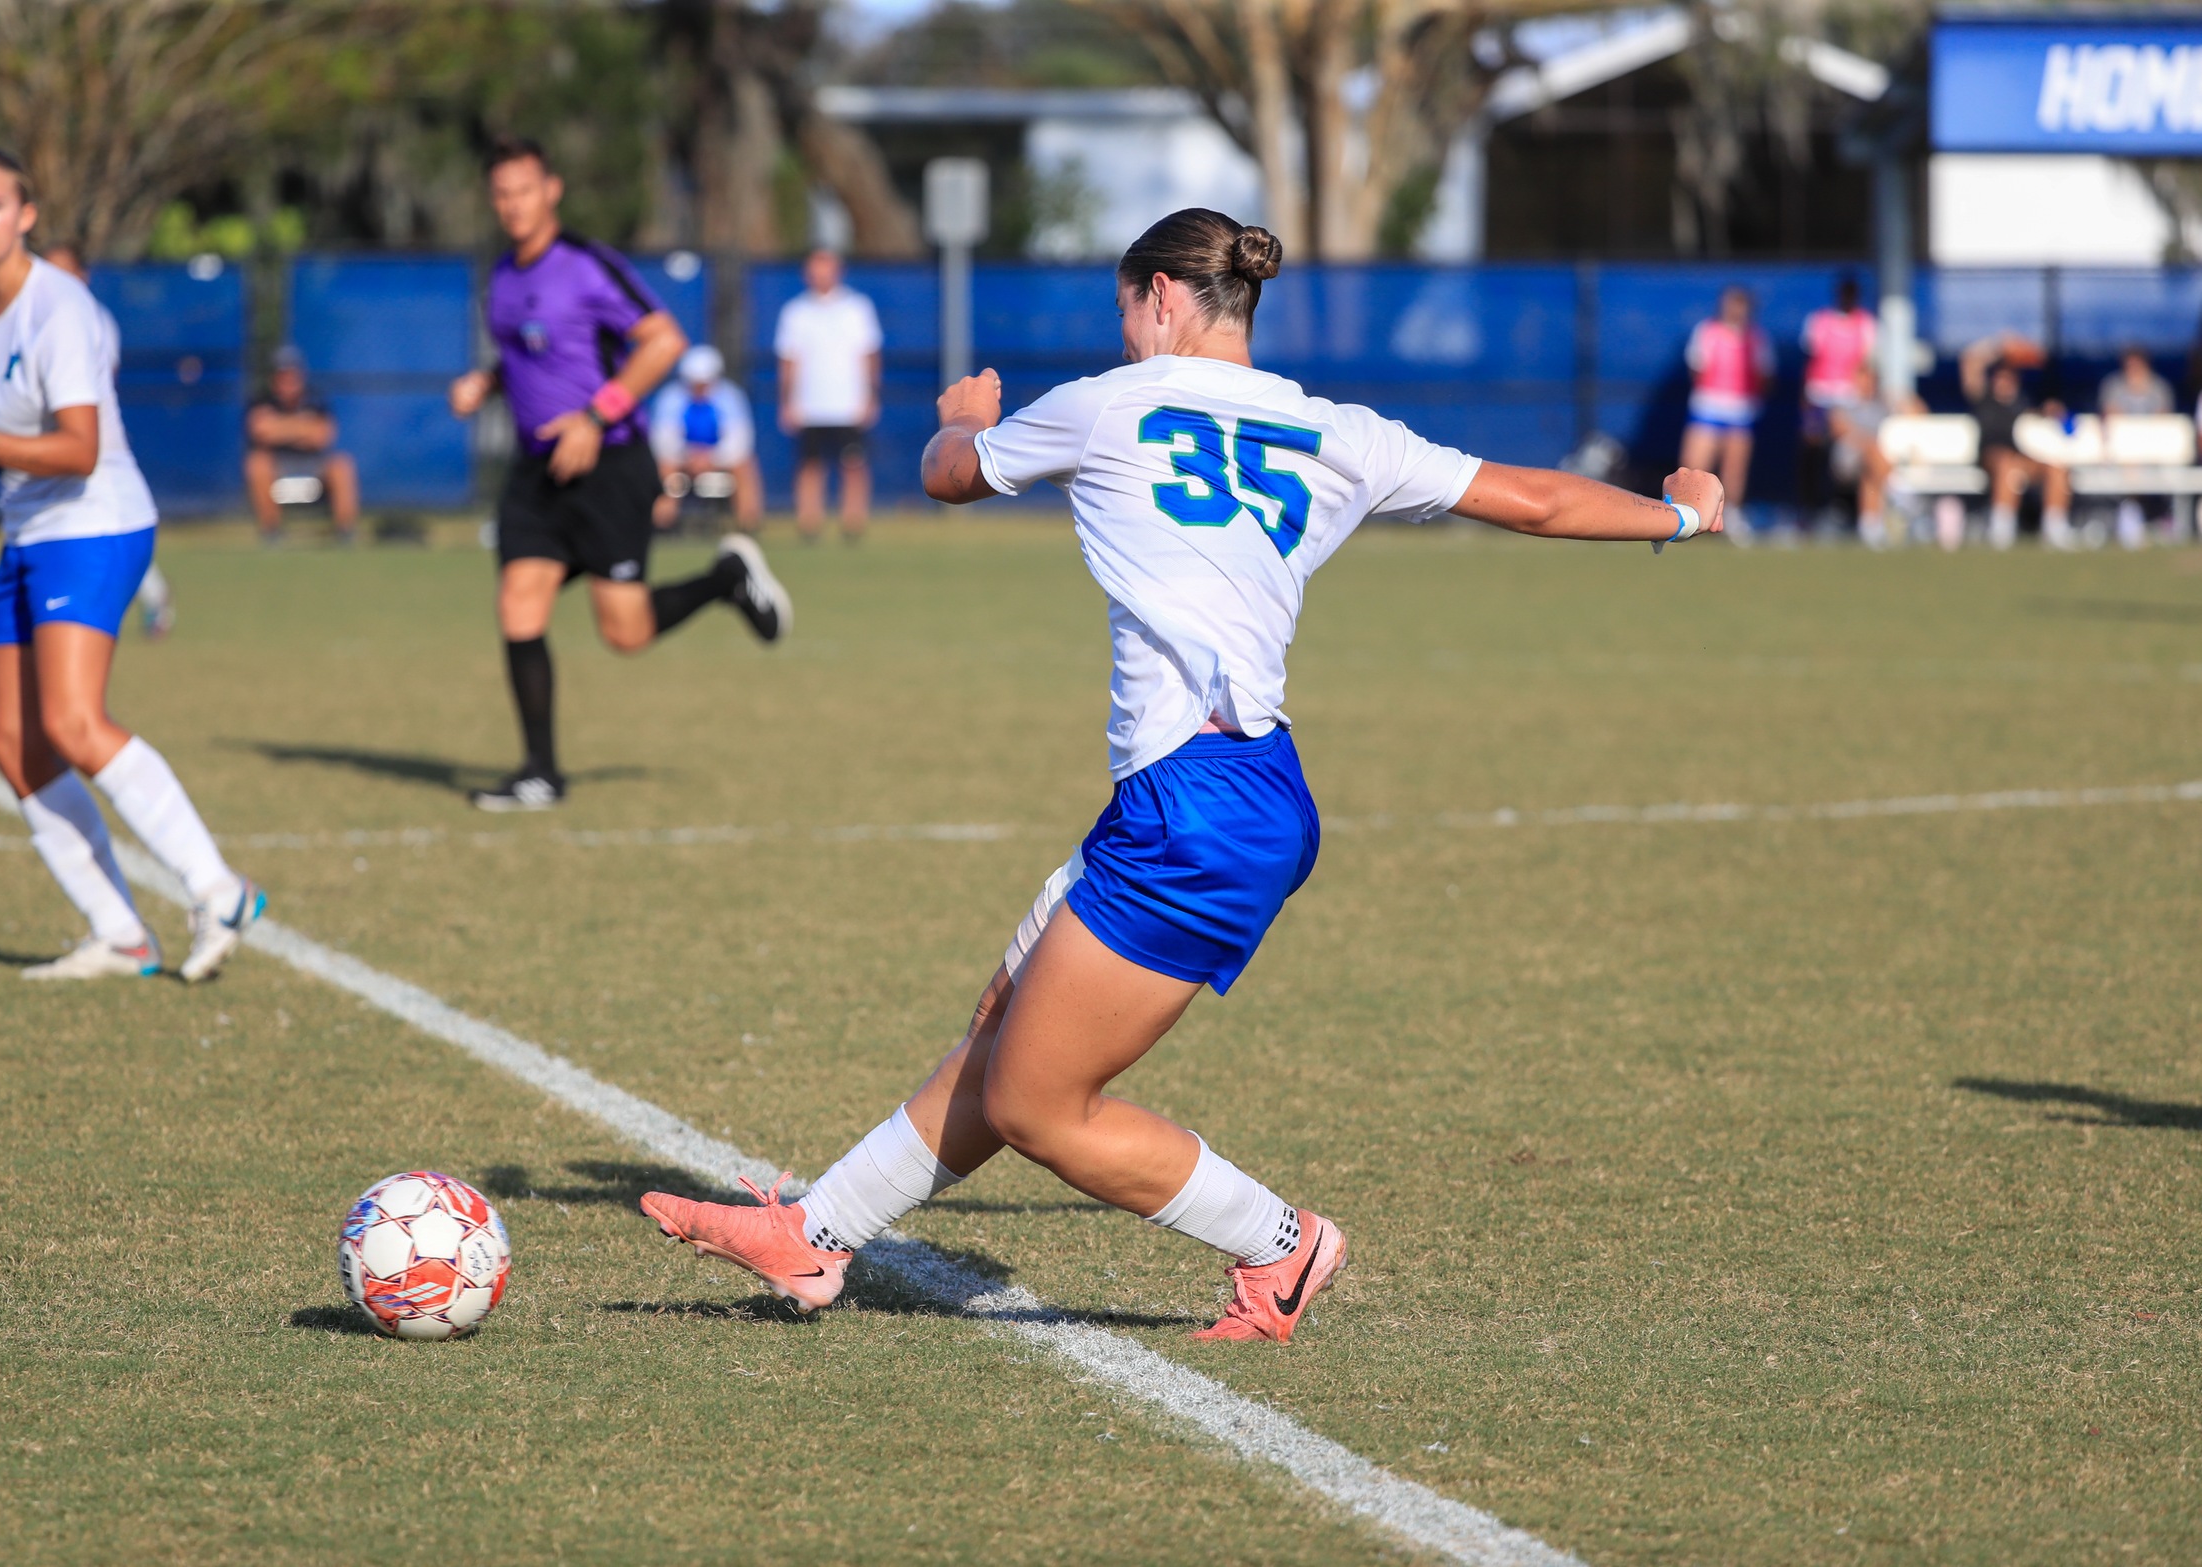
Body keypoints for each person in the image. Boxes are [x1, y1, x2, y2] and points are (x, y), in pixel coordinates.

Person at [640, 208, 1725, 1343]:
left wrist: (962, 418)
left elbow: (951, 474)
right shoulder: (1334, 430)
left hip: (1196, 811)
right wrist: (1682, 514)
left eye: (1124, 310)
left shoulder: (1113, 401)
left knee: (1033, 1102)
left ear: (1160, 296)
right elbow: (1537, 499)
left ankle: (1284, 1243)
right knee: (1004, 1023)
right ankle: (814, 1235)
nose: (1122, 332)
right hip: (1219, 790)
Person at [0, 148, 263, 982]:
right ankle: (121, 933)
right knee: (16, 744)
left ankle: (218, 888)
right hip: (27, 531)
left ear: (27, 215)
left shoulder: (64, 308)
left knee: (75, 724)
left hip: (96, 522)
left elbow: (79, 451)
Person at [448, 135, 791, 812]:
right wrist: (485, 383)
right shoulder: (504, 275)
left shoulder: (583, 265)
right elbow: (531, 359)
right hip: (537, 469)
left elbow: (662, 341)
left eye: (524, 189)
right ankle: (540, 773)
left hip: (609, 463)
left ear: (551, 190)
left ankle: (726, 577)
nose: (513, 205)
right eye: (501, 193)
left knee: (624, 632)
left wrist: (594, 419)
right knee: (519, 601)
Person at [42, 242, 173, 637]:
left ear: (83, 276)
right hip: (54, 448)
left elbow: (94, 390)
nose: (55, 282)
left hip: (91, 448)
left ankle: (152, 596)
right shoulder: (35, 318)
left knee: (105, 531)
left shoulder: (93, 319)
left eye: (65, 271)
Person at [775, 247, 882, 541]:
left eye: (826, 267)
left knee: (853, 464)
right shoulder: (795, 312)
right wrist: (786, 401)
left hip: (848, 404)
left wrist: (871, 396)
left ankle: (853, 524)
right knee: (810, 466)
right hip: (809, 405)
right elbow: (788, 360)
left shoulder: (857, 307)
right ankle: (809, 524)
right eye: (815, 267)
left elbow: (869, 355)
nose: (820, 274)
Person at [1961, 335, 2071, 550]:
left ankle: (2055, 527)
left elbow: (2034, 427)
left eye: (2009, 377)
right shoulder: (1983, 397)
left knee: (2056, 468)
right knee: (2006, 464)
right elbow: (1970, 361)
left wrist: (2050, 413)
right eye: (2000, 376)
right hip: (1992, 458)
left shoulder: (2023, 402)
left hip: (2023, 457)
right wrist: (2000, 345)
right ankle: (2002, 529)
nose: (2004, 381)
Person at [246, 344, 359, 546]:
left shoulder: (315, 398)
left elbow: (322, 435)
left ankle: (345, 532)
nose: (287, 381)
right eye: (281, 375)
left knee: (342, 464)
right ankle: (271, 533)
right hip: (278, 468)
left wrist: (280, 428)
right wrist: (303, 427)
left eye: (291, 374)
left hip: (314, 468)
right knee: (257, 464)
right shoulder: (261, 400)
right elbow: (261, 431)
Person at [1679, 285, 1771, 524]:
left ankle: (1730, 517)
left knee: (1735, 469)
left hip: (1741, 411)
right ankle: (1687, 516)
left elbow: (1765, 375)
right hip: (1708, 408)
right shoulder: (1707, 331)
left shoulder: (1757, 337)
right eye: (1731, 303)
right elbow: (1696, 368)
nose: (1735, 309)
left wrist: (1750, 401)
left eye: (1741, 304)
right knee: (1695, 465)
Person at [649, 344, 763, 532]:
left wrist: (710, 458)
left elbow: (739, 443)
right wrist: (690, 456)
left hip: (718, 462)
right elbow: (663, 442)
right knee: (666, 467)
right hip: (683, 462)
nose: (700, 387)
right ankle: (663, 523)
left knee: (744, 465)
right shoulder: (671, 398)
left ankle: (748, 524)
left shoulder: (730, 397)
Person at [1798, 276, 1876, 525]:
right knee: (1812, 451)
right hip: (1819, 396)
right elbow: (1811, 359)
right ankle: (1809, 509)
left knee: (1846, 453)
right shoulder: (1819, 321)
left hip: (1849, 401)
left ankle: (1845, 508)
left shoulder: (1866, 324)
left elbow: (1868, 364)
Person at [2099, 345, 2172, 549]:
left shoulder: (2159, 388)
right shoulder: (2113, 386)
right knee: (2129, 460)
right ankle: (2132, 516)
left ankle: (2151, 518)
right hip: (2122, 453)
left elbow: (2162, 421)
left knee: (2138, 460)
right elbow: (2111, 416)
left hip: (2153, 451)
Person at [1827, 362, 1904, 549]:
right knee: (1871, 451)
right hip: (1848, 459)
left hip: (1875, 462)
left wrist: (1901, 398)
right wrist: (1867, 442)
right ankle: (1900, 491)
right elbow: (1838, 428)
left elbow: (1917, 411)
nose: (1866, 383)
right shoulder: (1845, 404)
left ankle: (1870, 527)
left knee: (1870, 474)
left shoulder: (1883, 404)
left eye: (1870, 379)